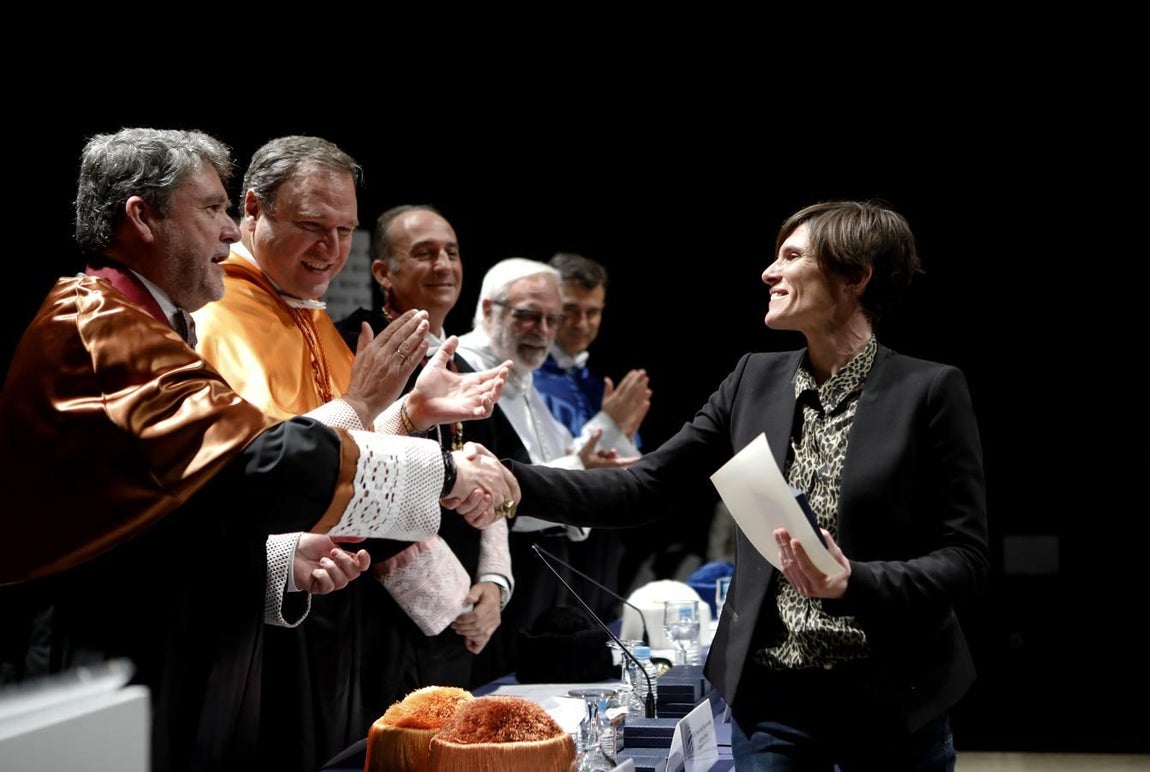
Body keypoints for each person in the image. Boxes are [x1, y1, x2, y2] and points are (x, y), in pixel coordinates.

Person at [0, 128, 517, 772]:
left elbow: (193, 498)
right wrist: (440, 468)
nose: (227, 234)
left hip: (191, 621)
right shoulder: (102, 321)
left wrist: (278, 560)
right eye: (212, 210)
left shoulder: (146, 316)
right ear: (142, 217)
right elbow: (259, 463)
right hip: (112, 638)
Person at [501, 200, 989, 770]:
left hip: (893, 700)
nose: (769, 272)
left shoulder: (929, 391)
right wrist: (512, 481)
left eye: (791, 256)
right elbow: (644, 487)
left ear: (856, 276)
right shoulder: (753, 379)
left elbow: (966, 559)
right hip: (774, 703)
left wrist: (853, 581)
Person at [191, 147, 514, 771]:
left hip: (336, 604)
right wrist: (429, 456)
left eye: (344, 231)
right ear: (252, 210)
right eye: (313, 226)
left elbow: (346, 454)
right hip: (260, 613)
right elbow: (270, 467)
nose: (331, 249)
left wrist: (411, 414)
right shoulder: (217, 311)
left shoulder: (307, 314)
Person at [336, 203, 530, 690]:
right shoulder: (354, 345)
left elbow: (494, 473)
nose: (443, 265)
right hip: (379, 614)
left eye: (452, 252)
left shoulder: (460, 361)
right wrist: (457, 600)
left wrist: (494, 585)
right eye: (424, 253)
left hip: (462, 616)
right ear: (383, 271)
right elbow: (356, 471)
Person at [455, 257, 638, 676]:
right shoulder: (462, 372)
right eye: (528, 317)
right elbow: (493, 486)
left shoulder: (524, 377)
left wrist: (598, 453)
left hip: (546, 570)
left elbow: (551, 467)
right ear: (487, 309)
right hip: (496, 575)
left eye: (551, 320)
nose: (543, 331)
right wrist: (586, 458)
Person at [533, 251, 651, 619]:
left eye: (593, 312)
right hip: (549, 537)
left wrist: (624, 436)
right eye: (571, 310)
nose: (582, 323)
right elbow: (546, 465)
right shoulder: (529, 379)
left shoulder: (592, 379)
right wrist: (608, 426)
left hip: (603, 531)